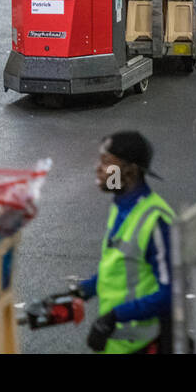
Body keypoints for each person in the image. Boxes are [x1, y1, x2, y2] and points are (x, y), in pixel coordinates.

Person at [68, 132, 175, 354]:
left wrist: (114, 317)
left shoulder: (155, 220)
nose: (98, 168)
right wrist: (84, 290)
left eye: (107, 162)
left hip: (143, 345)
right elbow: (121, 269)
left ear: (130, 171)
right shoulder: (120, 207)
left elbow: (168, 294)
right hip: (117, 346)